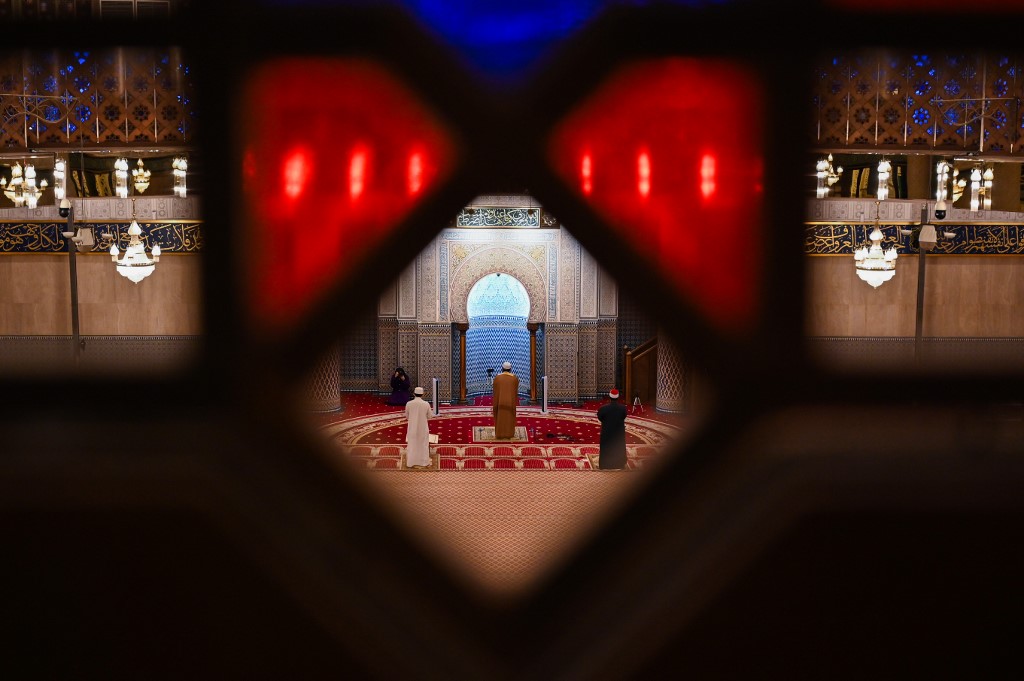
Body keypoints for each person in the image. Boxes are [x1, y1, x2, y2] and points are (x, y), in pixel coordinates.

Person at [597, 388, 627, 470]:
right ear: (618, 397)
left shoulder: (603, 408)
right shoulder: (623, 408)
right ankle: (619, 464)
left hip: (607, 431)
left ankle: (605, 465)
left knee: (606, 446)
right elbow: (623, 416)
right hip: (618, 432)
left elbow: (600, 417)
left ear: (610, 397)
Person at [404, 386, 433, 467]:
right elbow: (430, 416)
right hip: (423, 428)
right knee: (423, 444)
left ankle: (411, 462)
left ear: (414, 394)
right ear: (423, 394)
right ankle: (423, 462)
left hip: (412, 427)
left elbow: (407, 416)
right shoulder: (426, 404)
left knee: (412, 444)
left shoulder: (409, 403)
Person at [491, 361, 519, 439]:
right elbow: (515, 391)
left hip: (500, 402)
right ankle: (509, 434)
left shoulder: (497, 378)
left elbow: (495, 391)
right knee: (509, 417)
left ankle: (499, 434)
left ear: (502, 368)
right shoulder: (514, 378)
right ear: (510, 369)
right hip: (510, 402)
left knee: (500, 417)